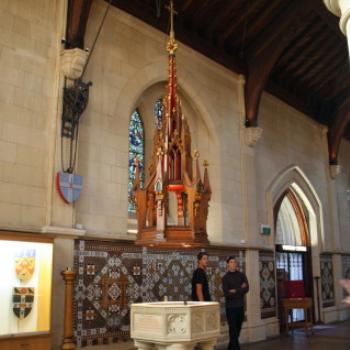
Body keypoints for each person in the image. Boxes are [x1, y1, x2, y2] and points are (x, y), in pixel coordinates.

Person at [222, 256, 249, 350]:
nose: (233, 263)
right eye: (231, 262)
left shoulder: (241, 275)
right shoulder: (225, 278)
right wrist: (240, 289)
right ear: (228, 264)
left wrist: (235, 290)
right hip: (230, 308)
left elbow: (246, 288)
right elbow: (227, 294)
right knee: (233, 330)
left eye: (235, 262)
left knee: (237, 330)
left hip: (240, 306)